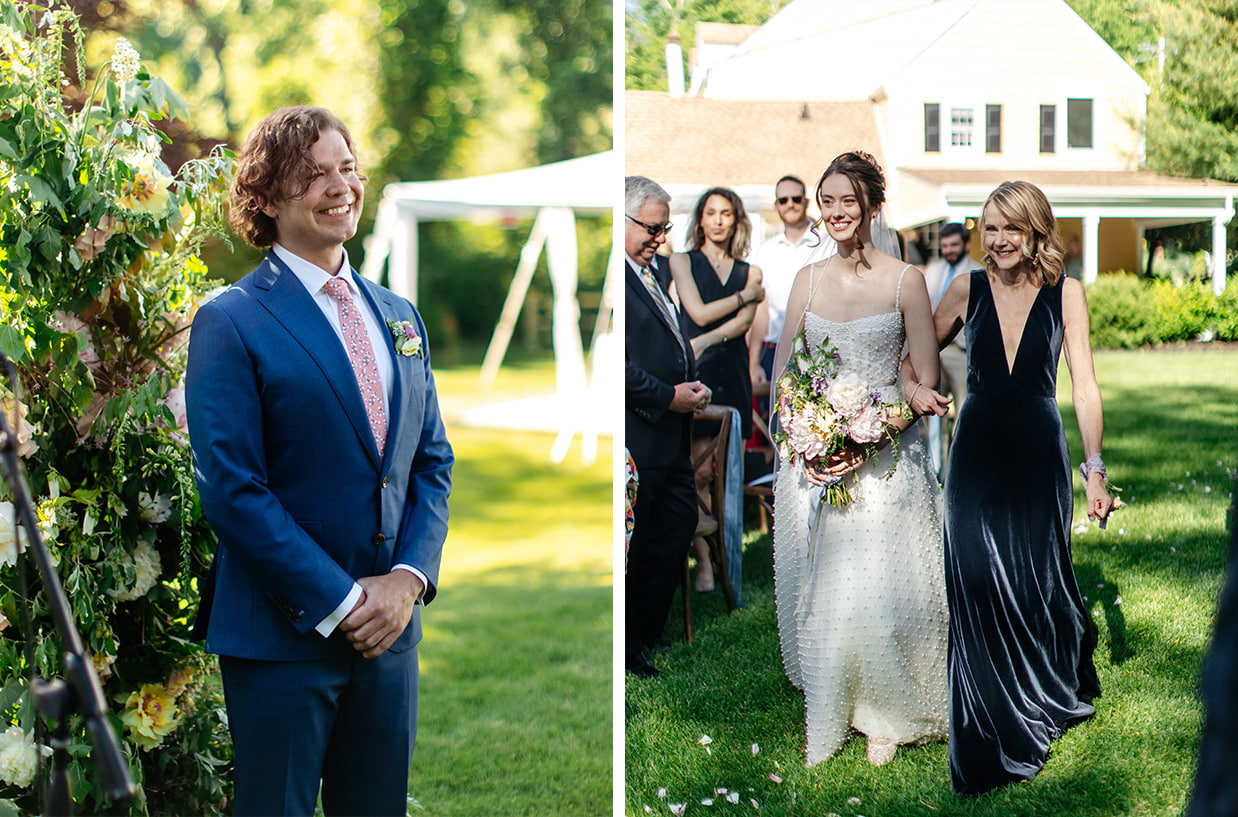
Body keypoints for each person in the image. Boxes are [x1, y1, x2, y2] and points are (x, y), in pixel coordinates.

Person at [185, 106, 453, 816]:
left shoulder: (399, 314)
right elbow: (234, 490)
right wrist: (342, 602)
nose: (342, 186)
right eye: (314, 175)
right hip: (282, 636)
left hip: (391, 635)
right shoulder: (231, 320)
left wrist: (406, 580)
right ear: (266, 199)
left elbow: (431, 460)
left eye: (348, 167)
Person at [907, 180, 1114, 795]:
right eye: (989, 228)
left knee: (1032, 578)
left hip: (1037, 455)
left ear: (1035, 230)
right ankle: (985, 715)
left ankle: (1041, 686)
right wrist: (917, 389)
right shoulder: (964, 287)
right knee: (974, 576)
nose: (997, 241)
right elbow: (910, 351)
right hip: (975, 452)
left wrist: (1095, 468)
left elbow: (1084, 384)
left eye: (1011, 228)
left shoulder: (1065, 291)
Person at [770, 151, 948, 767]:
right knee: (827, 594)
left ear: (872, 206)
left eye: (848, 200)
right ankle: (833, 704)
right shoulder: (807, 281)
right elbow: (785, 374)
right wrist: (806, 432)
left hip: (885, 463)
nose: (836, 212)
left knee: (878, 596)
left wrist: (865, 434)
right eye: (828, 201)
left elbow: (923, 379)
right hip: (815, 465)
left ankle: (886, 713)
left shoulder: (906, 281)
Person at [624, 175, 711, 678]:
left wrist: (692, 385)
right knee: (638, 541)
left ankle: (645, 633)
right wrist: (667, 397)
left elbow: (675, 341)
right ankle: (630, 646)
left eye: (665, 228)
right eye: (652, 229)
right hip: (641, 432)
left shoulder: (652, 272)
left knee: (676, 526)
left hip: (673, 433)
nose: (660, 238)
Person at [669, 187, 764, 592]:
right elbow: (698, 312)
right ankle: (704, 562)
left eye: (727, 213)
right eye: (712, 213)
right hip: (696, 376)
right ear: (700, 220)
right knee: (697, 475)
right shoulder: (681, 261)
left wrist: (705, 339)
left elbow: (743, 326)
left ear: (736, 219)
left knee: (726, 475)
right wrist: (745, 298)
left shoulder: (751, 270)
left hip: (733, 375)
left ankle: (729, 555)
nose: (719, 220)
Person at [749, 176, 835, 404]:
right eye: (783, 199)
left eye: (796, 199)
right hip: (774, 350)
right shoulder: (765, 251)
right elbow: (761, 311)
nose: (790, 204)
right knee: (777, 428)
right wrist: (754, 362)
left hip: (819, 350)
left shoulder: (827, 244)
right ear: (776, 205)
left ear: (806, 202)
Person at [922, 222, 980, 473]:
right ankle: (936, 467)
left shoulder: (978, 272)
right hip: (932, 351)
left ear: (966, 245)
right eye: (945, 246)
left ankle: (960, 468)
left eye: (954, 245)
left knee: (964, 411)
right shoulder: (931, 271)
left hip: (961, 352)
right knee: (931, 414)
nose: (949, 250)